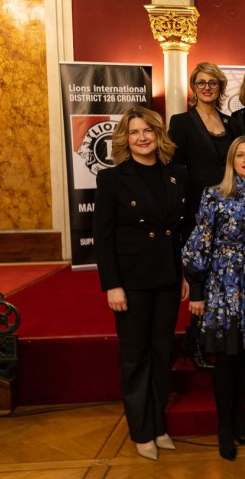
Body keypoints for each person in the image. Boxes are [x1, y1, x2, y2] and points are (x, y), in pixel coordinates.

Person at [93, 106, 188, 461]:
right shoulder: (112, 179)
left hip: (167, 276)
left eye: (148, 130)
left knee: (162, 353)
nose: (142, 137)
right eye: (134, 132)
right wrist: (112, 285)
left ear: (159, 135)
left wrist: (184, 274)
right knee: (135, 356)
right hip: (131, 281)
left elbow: (182, 231)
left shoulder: (177, 174)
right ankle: (141, 430)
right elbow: (103, 238)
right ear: (125, 139)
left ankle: (158, 424)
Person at [181, 136, 245, 461]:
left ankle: (239, 421)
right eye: (240, 155)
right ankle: (224, 427)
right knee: (228, 357)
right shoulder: (215, 195)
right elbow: (199, 243)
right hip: (225, 285)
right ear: (231, 161)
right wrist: (196, 290)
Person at [169, 62, 242, 370]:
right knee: (200, 273)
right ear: (194, 88)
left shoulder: (231, 122)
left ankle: (217, 335)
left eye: (213, 82)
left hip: (230, 208)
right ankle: (195, 339)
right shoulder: (181, 121)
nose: (207, 87)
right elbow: (174, 166)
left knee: (223, 273)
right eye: (201, 83)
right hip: (197, 208)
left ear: (220, 87)